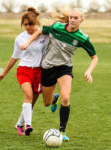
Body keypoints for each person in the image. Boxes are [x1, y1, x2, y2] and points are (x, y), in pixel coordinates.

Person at [21, 8, 98, 141]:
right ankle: (53, 99)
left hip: (64, 68)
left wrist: (89, 71)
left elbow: (94, 58)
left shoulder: (83, 38)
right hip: (48, 68)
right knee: (46, 103)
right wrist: (28, 43)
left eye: (76, 18)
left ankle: (62, 131)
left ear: (81, 20)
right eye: (71, 17)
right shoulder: (56, 27)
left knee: (66, 99)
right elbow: (40, 31)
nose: (72, 20)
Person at [0, 7, 48, 136]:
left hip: (38, 72)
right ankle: (28, 125)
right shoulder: (20, 38)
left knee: (31, 102)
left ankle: (19, 124)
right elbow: (14, 57)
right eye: (25, 24)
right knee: (28, 96)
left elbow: (47, 53)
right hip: (23, 71)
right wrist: (4, 73)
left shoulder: (44, 36)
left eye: (30, 24)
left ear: (36, 22)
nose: (28, 27)